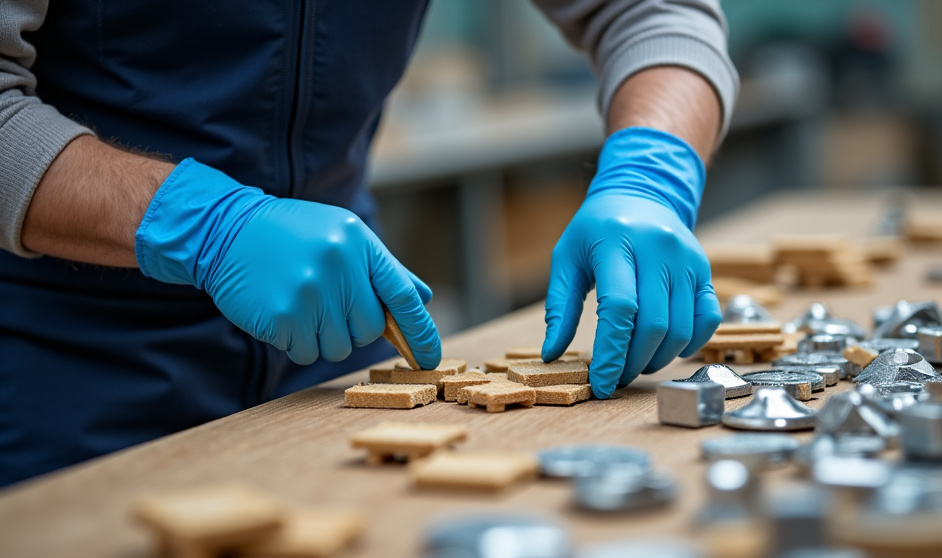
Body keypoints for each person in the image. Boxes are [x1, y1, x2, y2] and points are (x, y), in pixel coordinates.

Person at [0, 0, 737, 487]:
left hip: (340, 335)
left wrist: (650, 176)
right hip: (67, 361)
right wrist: (205, 223)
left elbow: (656, 13)